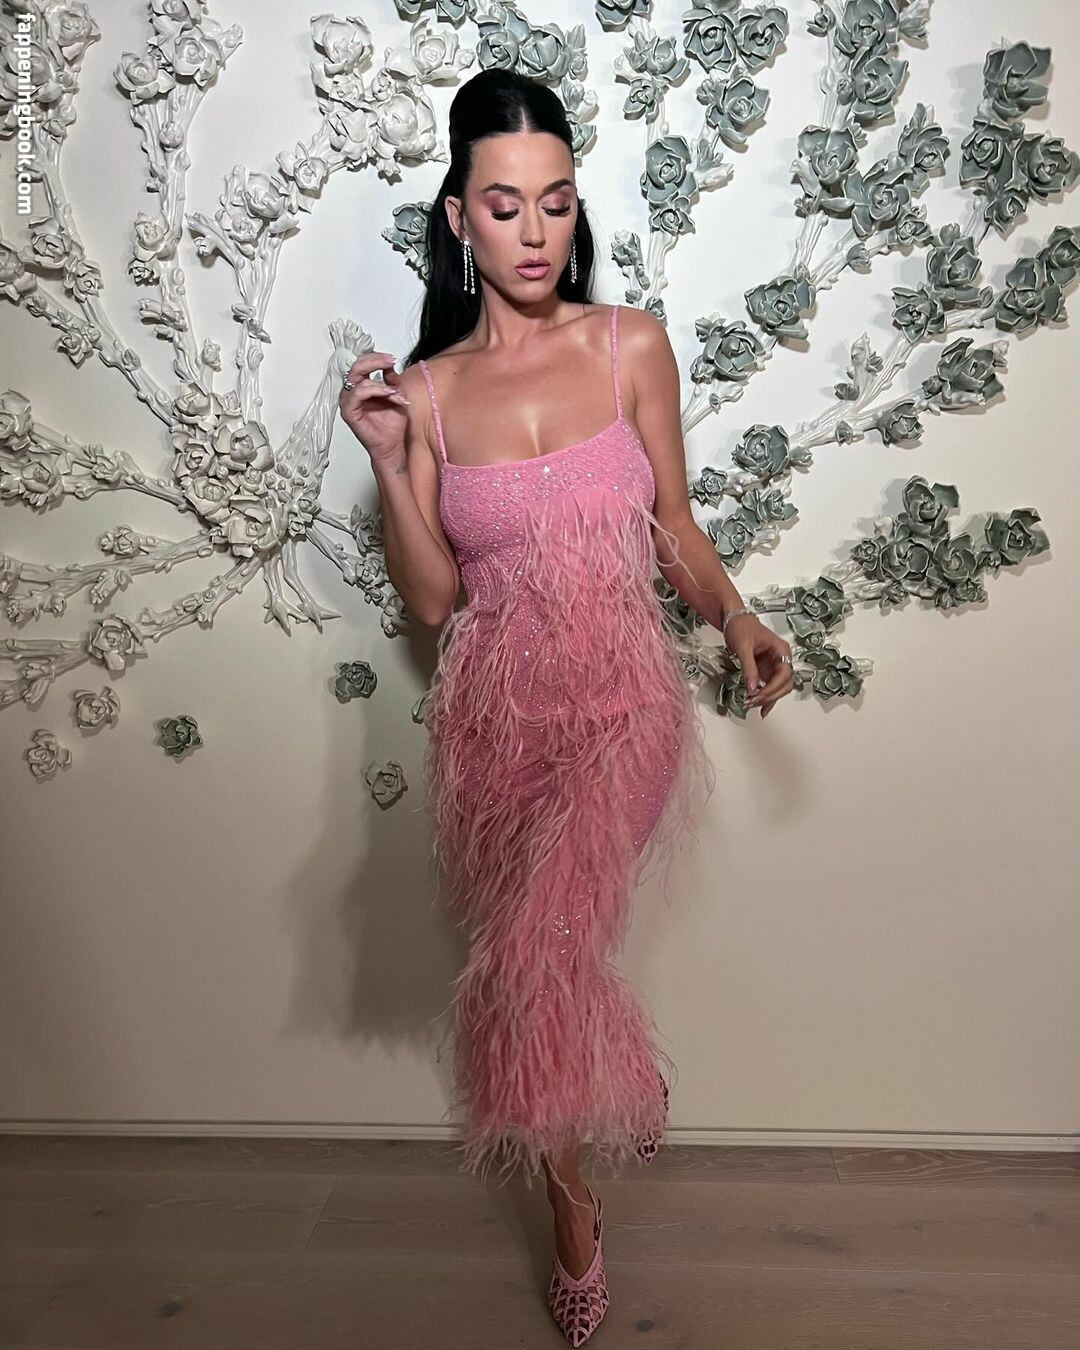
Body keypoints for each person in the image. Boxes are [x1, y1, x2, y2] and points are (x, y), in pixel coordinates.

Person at [339, 66, 794, 1347]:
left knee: (536, 957)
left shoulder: (627, 344)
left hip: (620, 705)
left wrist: (736, 617)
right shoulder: (428, 393)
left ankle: (573, 1213)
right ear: (458, 219)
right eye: (504, 205)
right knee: (528, 963)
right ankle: (592, 1116)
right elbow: (435, 602)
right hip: (494, 722)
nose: (535, 232)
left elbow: (674, 527)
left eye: (555, 201)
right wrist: (391, 464)